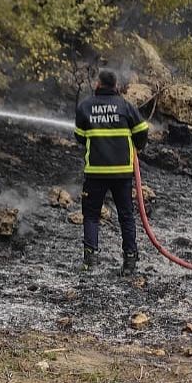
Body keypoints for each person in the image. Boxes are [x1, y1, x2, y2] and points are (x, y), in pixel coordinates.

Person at [73, 67, 150, 274]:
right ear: (116, 86)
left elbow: (79, 137)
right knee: (126, 215)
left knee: (90, 215)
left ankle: (89, 260)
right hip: (122, 173)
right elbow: (142, 130)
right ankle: (130, 261)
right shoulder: (124, 106)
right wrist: (138, 146)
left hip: (95, 172)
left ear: (98, 84)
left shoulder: (85, 107)